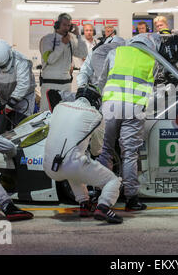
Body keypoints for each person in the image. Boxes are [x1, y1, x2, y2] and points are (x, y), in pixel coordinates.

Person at [96, 33, 178, 210]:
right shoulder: (153, 60)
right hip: (134, 109)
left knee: (105, 150)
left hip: (110, 105)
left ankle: (100, 193)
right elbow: (156, 90)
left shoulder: (117, 52)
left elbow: (101, 81)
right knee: (129, 154)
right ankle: (131, 199)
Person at [43, 85, 123, 224]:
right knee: (113, 181)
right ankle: (103, 207)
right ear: (96, 101)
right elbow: (97, 150)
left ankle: (84, 204)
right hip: (71, 163)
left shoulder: (59, 107)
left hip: (49, 165)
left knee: (74, 172)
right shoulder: (97, 115)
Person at [39, 13, 88, 111]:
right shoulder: (47, 39)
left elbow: (83, 54)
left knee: (64, 113)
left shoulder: (71, 39)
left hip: (66, 84)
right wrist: (62, 44)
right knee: (46, 113)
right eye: (64, 25)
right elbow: (50, 60)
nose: (66, 28)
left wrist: (78, 36)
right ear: (57, 25)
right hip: (50, 84)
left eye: (68, 25)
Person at [0, 40, 36, 128]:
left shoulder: (21, 61)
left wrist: (11, 103)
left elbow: (23, 85)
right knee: (3, 128)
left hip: (24, 100)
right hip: (4, 98)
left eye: (3, 65)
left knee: (22, 127)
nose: (2, 68)